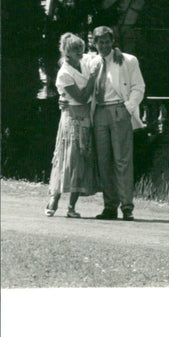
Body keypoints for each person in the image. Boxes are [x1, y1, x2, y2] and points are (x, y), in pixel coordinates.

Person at [89, 26, 145, 221]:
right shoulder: (91, 62)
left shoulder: (127, 60)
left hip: (119, 110)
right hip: (99, 112)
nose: (103, 46)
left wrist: (128, 107)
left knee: (122, 160)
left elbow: (139, 87)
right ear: (94, 43)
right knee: (104, 161)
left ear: (112, 42)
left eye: (106, 41)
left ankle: (127, 207)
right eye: (99, 42)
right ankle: (109, 206)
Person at [46, 33, 101, 218]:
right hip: (72, 117)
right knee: (68, 157)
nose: (80, 51)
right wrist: (93, 78)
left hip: (86, 117)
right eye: (75, 49)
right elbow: (81, 96)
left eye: (81, 47)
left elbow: (100, 56)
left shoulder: (85, 61)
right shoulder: (64, 73)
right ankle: (54, 198)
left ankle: (71, 207)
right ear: (66, 52)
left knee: (82, 158)